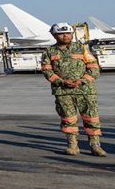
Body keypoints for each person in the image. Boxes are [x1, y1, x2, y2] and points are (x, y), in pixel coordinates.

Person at [40, 23, 104, 156]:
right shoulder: (49, 52)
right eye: (62, 34)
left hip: (85, 90)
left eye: (68, 33)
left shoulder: (82, 49)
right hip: (63, 91)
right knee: (68, 119)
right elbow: (47, 71)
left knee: (91, 118)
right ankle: (73, 145)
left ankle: (95, 145)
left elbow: (94, 67)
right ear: (54, 35)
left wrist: (82, 80)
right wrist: (62, 81)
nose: (66, 36)